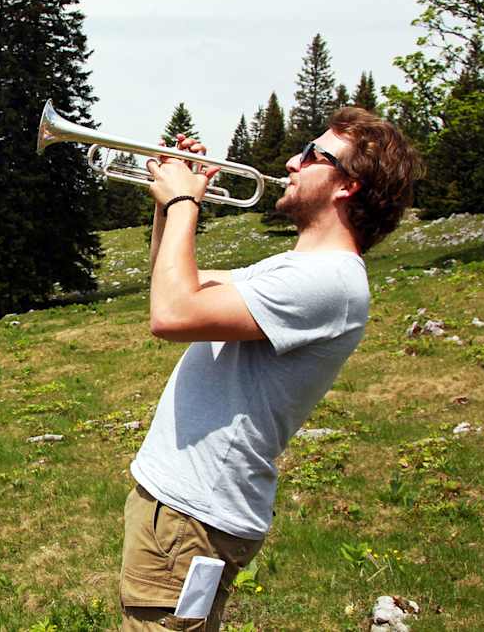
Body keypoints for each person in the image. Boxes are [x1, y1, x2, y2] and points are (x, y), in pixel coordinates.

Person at [119, 107, 423, 631]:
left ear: (347, 185)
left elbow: (171, 315)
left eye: (312, 155)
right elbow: (171, 282)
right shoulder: (295, 268)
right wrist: (169, 209)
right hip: (180, 510)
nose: (291, 161)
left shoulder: (329, 280)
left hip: (193, 518)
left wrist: (186, 199)